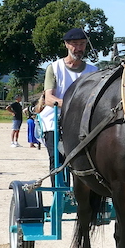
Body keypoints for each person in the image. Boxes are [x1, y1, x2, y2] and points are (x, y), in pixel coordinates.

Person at [40, 27, 98, 168]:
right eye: (75, 44)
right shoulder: (54, 68)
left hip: (82, 120)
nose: (79, 48)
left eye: (82, 44)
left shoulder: (93, 71)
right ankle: (57, 181)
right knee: (57, 159)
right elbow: (49, 99)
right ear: (66, 44)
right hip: (55, 118)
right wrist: (72, 105)